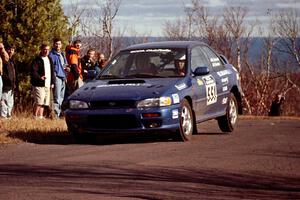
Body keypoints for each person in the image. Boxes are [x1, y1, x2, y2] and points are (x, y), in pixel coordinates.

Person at [30, 43, 55, 119]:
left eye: (48, 49)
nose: (46, 51)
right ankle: (34, 116)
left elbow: (52, 71)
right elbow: (33, 71)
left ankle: (40, 116)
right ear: (41, 50)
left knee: (45, 102)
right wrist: (39, 77)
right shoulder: (37, 60)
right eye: (44, 49)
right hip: (39, 84)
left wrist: (52, 82)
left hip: (48, 84)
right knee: (39, 101)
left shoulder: (49, 59)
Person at [49, 38, 68, 118]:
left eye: (59, 44)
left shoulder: (62, 54)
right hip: (57, 77)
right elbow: (51, 68)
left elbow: (65, 64)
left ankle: (59, 114)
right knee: (57, 97)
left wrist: (67, 69)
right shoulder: (51, 55)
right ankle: (56, 115)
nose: (58, 45)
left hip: (63, 76)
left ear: (61, 45)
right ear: (53, 44)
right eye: (56, 44)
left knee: (61, 97)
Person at [0, 45, 16, 119]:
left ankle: (8, 115)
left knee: (10, 102)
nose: (11, 51)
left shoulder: (12, 61)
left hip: (11, 85)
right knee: (4, 101)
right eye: (9, 50)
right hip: (5, 84)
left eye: (12, 50)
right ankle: (3, 116)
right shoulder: (3, 60)